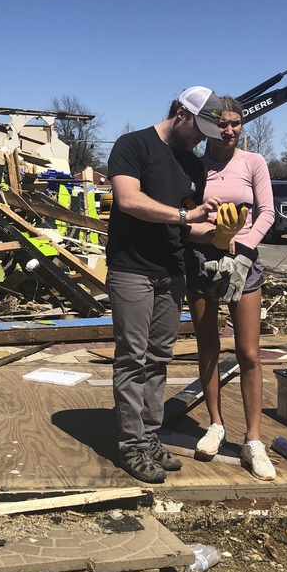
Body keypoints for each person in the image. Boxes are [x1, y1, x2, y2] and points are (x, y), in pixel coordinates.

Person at [106, 87, 223, 484]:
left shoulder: (193, 165)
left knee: (158, 358)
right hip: (132, 270)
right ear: (179, 113)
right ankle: (130, 444)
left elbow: (187, 228)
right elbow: (128, 200)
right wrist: (185, 215)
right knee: (132, 358)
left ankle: (149, 436)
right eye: (199, 128)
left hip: (171, 272)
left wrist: (219, 233)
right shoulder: (133, 145)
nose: (202, 138)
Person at [184, 96, 277, 480]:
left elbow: (268, 212)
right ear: (208, 125)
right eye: (221, 123)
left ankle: (253, 441)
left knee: (249, 352)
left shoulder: (252, 163)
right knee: (207, 343)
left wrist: (244, 243)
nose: (229, 130)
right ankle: (216, 425)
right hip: (201, 262)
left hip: (243, 263)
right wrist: (211, 234)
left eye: (235, 123)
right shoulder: (192, 165)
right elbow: (183, 216)